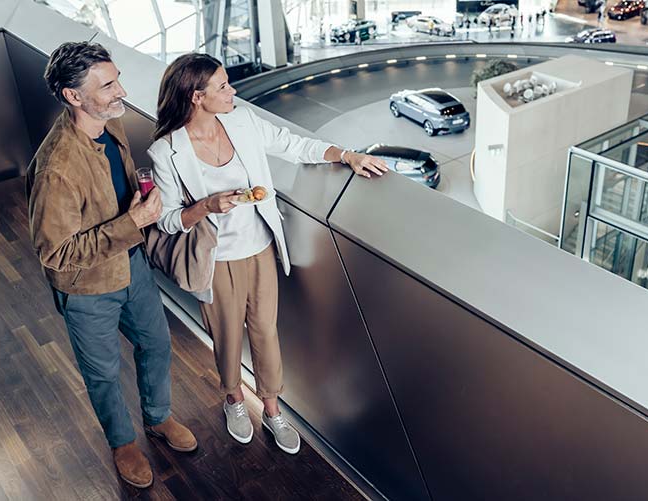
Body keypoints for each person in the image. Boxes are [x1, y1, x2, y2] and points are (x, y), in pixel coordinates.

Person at [148, 54, 388, 452]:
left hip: (260, 247)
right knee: (225, 334)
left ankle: (273, 409)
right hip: (217, 258)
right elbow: (169, 220)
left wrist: (347, 156)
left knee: (264, 331)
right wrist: (207, 206)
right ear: (196, 97)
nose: (233, 91)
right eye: (223, 86)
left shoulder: (242, 121)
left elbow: (294, 145)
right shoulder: (165, 152)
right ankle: (233, 400)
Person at [27, 41, 197, 489]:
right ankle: (122, 442)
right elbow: (55, 253)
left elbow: (111, 190)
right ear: (73, 96)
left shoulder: (109, 125)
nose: (121, 89)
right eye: (108, 84)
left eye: (117, 77)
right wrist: (133, 221)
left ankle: (157, 418)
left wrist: (136, 206)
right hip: (87, 290)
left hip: (132, 268)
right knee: (102, 373)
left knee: (157, 345)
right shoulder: (55, 169)